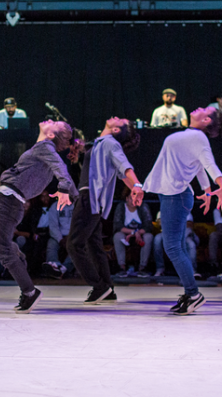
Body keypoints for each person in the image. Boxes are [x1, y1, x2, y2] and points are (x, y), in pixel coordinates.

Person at [143, 106, 222, 315]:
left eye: (204, 109)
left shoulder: (198, 137)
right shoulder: (191, 136)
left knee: (173, 247)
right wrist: (207, 190)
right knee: (178, 247)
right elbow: (199, 164)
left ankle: (193, 294)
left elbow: (209, 163)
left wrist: (221, 184)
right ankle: (190, 293)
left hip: (176, 196)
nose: (198, 107)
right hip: (173, 195)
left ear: (207, 120)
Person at [0, 119, 80, 313]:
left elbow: (62, 170)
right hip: (12, 201)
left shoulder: (45, 147)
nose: (49, 120)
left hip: (9, 201)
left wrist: (65, 188)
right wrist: (76, 197)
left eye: (53, 122)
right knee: (5, 246)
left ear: (51, 134)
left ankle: (30, 292)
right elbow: (63, 171)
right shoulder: (45, 151)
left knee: (2, 249)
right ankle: (21, 265)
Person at [67, 116, 143, 303]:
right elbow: (121, 173)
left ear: (116, 130)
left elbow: (124, 167)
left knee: (74, 244)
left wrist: (137, 185)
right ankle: (107, 288)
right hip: (93, 199)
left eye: (120, 120)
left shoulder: (110, 143)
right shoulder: (100, 143)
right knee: (94, 246)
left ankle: (99, 286)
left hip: (90, 197)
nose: (116, 117)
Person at [111, 186, 153, 278]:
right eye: (131, 198)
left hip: (140, 236)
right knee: (118, 236)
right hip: (125, 235)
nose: (133, 201)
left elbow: (148, 226)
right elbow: (118, 226)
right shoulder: (121, 207)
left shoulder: (143, 207)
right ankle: (122, 268)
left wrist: (138, 233)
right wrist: (134, 232)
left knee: (148, 236)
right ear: (126, 198)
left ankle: (142, 268)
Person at [153, 211, 199, 278]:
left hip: (184, 234)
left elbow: (189, 225)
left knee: (191, 244)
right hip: (168, 234)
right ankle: (160, 269)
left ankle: (192, 271)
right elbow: (160, 224)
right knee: (157, 239)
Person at [43, 199, 75, 279]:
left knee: (78, 246)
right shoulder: (55, 206)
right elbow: (53, 226)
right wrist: (60, 239)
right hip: (59, 236)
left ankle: (64, 269)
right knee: (51, 244)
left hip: (74, 235)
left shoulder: (78, 205)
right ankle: (54, 266)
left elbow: (81, 225)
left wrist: (71, 236)